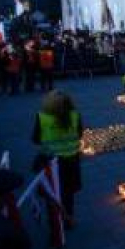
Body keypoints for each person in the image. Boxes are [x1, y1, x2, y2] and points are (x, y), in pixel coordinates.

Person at [32, 91, 83, 228]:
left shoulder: (42, 118)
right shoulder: (75, 115)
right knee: (69, 192)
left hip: (51, 162)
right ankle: (69, 218)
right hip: (71, 161)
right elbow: (79, 134)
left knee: (52, 192)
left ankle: (55, 224)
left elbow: (36, 139)